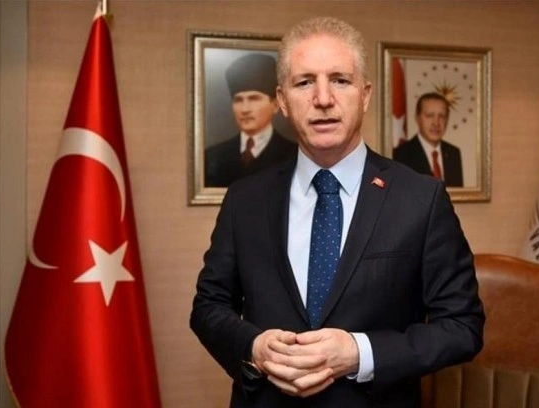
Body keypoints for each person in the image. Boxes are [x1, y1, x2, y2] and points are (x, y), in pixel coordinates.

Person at [190, 17, 484, 407]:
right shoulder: (245, 199)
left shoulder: (421, 199)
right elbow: (208, 307)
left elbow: (462, 327)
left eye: (340, 80)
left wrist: (359, 353)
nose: (323, 98)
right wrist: (254, 346)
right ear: (282, 100)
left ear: (365, 95)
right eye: (304, 82)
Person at [204, 53, 296, 187]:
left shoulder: (294, 155)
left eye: (254, 99)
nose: (245, 109)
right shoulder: (213, 156)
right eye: (238, 100)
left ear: (276, 105)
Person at [392, 92, 464, 187]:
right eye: (429, 115)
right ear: (417, 118)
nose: (436, 123)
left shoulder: (453, 153)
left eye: (442, 116)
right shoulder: (401, 155)